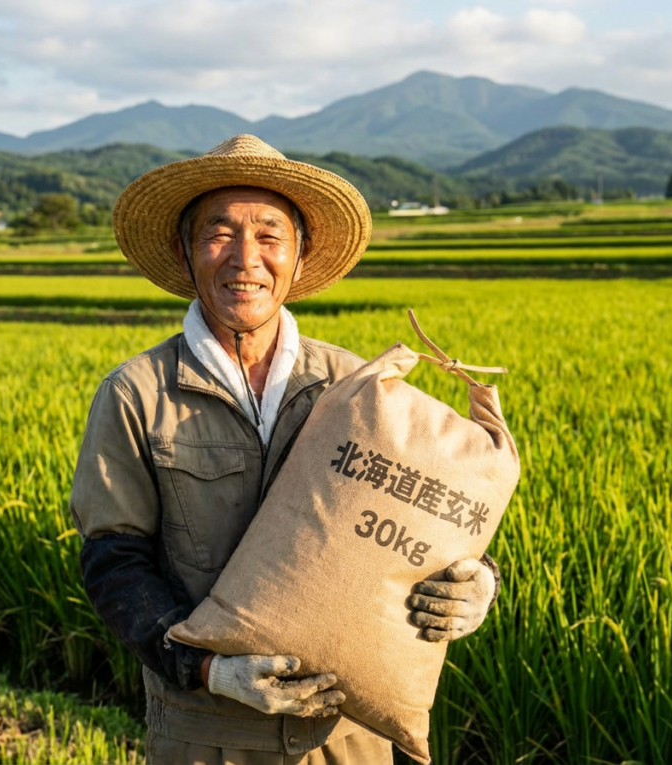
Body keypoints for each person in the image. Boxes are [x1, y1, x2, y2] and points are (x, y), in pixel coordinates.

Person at [70, 135, 500, 765]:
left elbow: (430, 515)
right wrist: (212, 669)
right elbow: (114, 563)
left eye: (270, 236)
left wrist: (480, 583)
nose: (246, 258)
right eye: (220, 233)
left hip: (348, 736)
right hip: (208, 736)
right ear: (185, 253)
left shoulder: (359, 387)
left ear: (299, 258)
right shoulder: (137, 394)